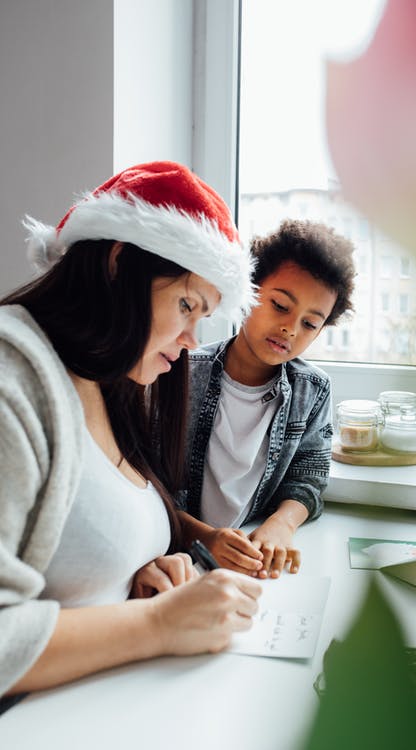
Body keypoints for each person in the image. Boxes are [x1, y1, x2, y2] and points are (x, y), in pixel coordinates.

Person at [0, 161, 262, 700]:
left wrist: (138, 581)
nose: (193, 339)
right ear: (120, 263)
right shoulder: (13, 384)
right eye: (187, 304)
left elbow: (77, 560)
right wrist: (159, 624)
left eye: (204, 317)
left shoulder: (107, 380)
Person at [175, 219, 356, 579]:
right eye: (279, 305)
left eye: (309, 324)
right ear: (249, 292)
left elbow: (307, 478)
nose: (290, 328)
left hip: (247, 565)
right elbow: (147, 483)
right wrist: (205, 537)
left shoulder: (312, 390)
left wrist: (282, 525)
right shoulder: (179, 371)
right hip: (175, 554)